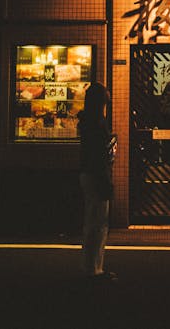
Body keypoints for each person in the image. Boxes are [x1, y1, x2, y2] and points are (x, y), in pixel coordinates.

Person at [77, 82, 118, 280]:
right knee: (99, 224)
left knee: (91, 222)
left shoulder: (86, 122)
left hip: (86, 173)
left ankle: (90, 266)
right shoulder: (98, 124)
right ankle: (94, 269)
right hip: (97, 175)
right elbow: (102, 155)